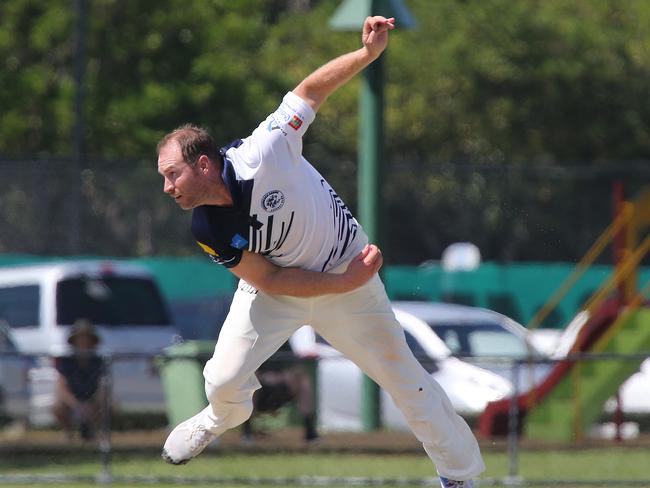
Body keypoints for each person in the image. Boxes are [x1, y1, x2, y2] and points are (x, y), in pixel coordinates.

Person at [157, 16, 484, 487]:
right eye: (163, 178)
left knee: (406, 381)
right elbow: (267, 279)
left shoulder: (264, 151)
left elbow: (309, 92)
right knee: (222, 381)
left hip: (347, 270)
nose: (167, 187)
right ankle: (217, 418)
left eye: (173, 174)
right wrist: (339, 284)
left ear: (203, 164)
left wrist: (367, 55)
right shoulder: (205, 225)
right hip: (283, 286)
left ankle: (460, 478)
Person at [241, 340, 318, 443]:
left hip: (282, 388)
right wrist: (263, 377)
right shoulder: (253, 341)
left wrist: (284, 376)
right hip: (261, 390)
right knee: (250, 382)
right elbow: (246, 369)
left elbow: (297, 368)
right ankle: (247, 433)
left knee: (303, 382)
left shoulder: (283, 339)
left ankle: (310, 432)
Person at [53, 319, 106, 441]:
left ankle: (95, 434)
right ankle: (68, 433)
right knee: (58, 406)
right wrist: (77, 405)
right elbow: (61, 388)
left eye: (87, 338)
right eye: (80, 338)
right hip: (73, 400)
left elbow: (102, 387)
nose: (83, 342)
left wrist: (92, 404)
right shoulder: (67, 362)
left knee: (109, 405)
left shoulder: (99, 361)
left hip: (92, 400)